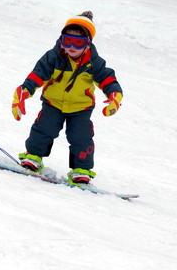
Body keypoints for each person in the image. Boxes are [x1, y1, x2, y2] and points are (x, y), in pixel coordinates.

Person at [11, 11, 123, 185]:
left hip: (81, 108)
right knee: (43, 130)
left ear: (88, 44)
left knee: (81, 137)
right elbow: (38, 74)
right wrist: (25, 91)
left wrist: (114, 95)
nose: (71, 46)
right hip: (53, 103)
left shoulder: (94, 62)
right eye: (67, 40)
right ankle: (33, 157)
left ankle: (81, 170)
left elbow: (108, 79)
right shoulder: (53, 57)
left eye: (78, 42)